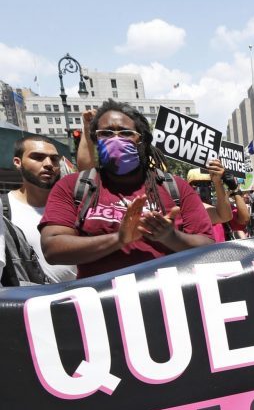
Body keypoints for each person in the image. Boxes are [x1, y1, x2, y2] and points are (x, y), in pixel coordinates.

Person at [39, 99, 214, 278]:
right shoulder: (72, 186)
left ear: (142, 140)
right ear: (95, 140)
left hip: (165, 300)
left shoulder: (175, 187)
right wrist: (119, 239)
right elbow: (52, 248)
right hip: (102, 303)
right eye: (106, 133)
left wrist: (170, 237)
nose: (115, 139)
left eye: (125, 133)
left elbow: (209, 247)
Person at [7, 136, 76, 282]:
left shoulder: (75, 204)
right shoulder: (4, 210)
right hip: (30, 301)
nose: (48, 164)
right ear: (17, 162)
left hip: (83, 298)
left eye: (54, 159)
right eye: (38, 157)